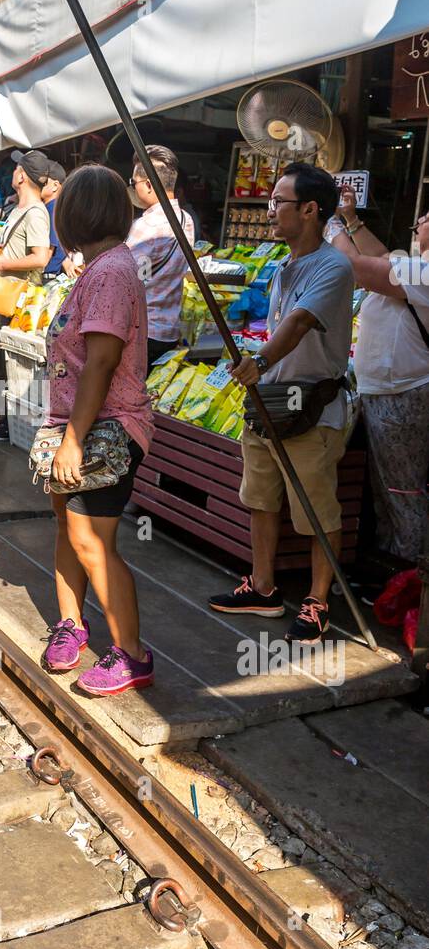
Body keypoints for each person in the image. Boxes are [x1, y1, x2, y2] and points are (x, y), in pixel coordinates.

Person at [208, 163, 355, 645]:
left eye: (279, 202)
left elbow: (295, 326)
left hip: (309, 409)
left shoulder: (333, 267)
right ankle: (264, 587)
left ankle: (316, 603)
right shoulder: (283, 262)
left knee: (316, 512)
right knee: (261, 500)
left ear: (310, 210)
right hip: (268, 401)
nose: (270, 211)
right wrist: (259, 369)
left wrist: (259, 360)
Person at [40, 164, 155, 697]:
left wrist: (74, 440)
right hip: (81, 426)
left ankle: (132, 653)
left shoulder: (110, 272)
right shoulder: (102, 268)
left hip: (103, 431)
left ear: (76, 216)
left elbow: (103, 361)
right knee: (70, 527)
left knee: (92, 539)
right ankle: (72, 624)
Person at [327, 189, 429, 563]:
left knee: (402, 490)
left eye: (426, 217)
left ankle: (409, 574)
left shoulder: (424, 272)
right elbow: (381, 257)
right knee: (388, 488)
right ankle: (392, 565)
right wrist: (350, 220)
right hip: (388, 391)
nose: (418, 222)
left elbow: (357, 266)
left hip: (404, 393)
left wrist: (329, 221)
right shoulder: (415, 264)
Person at [0, 149, 53, 441]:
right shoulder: (20, 209)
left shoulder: (35, 212)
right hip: (8, 294)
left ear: (22, 175)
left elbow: (40, 258)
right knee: (3, 360)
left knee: (12, 363)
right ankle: (5, 421)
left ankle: (11, 425)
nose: (13, 173)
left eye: (16, 168)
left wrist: (4, 263)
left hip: (19, 299)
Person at [126, 146, 196, 366]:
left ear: (148, 185)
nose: (132, 188)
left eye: (133, 182)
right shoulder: (186, 220)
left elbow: (126, 277)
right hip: (169, 330)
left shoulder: (145, 226)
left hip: (141, 330)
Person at [41, 160, 77, 282]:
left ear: (55, 186)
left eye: (43, 181)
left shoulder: (53, 209)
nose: (37, 182)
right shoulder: (55, 207)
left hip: (47, 278)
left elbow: (46, 256)